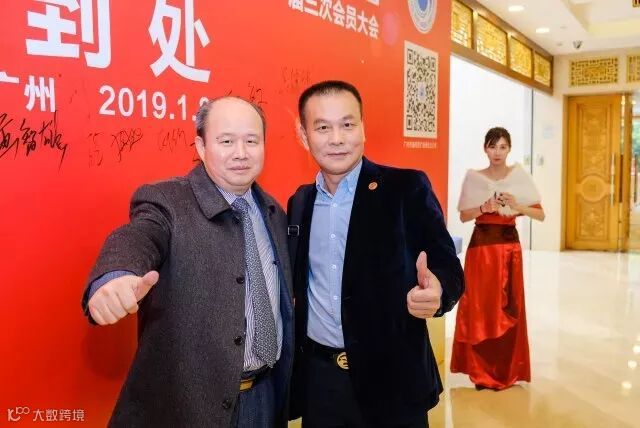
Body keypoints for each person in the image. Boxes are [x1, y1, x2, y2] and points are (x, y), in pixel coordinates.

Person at [80, 96, 294, 427]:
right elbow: (139, 236)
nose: (241, 152)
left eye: (251, 141)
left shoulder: (273, 212)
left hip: (264, 398)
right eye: (226, 141)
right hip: (187, 405)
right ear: (201, 146)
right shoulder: (167, 201)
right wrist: (116, 275)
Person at [286, 80, 464, 427]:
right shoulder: (300, 203)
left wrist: (439, 291)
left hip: (392, 380)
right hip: (322, 384)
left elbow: (447, 265)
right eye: (322, 128)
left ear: (363, 128)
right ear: (304, 136)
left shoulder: (405, 188)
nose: (337, 138)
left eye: (347, 124)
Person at [450, 126, 545, 391]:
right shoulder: (474, 179)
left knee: (509, 307)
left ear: (509, 149)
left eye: (502, 147)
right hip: (481, 250)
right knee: (479, 308)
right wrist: (484, 207)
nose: (497, 152)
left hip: (509, 249)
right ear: (485, 148)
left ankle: (507, 370)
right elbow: (464, 216)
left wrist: (516, 205)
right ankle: (480, 371)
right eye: (493, 146)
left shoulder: (518, 178)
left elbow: (540, 214)